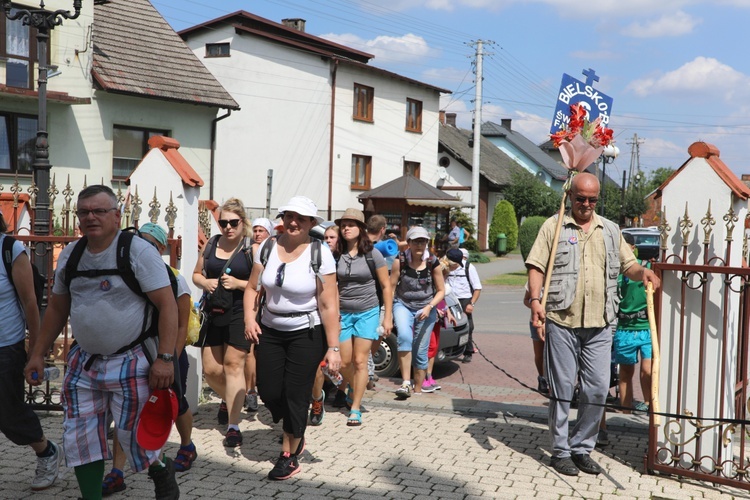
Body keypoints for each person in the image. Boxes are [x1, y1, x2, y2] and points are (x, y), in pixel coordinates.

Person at [26, 184, 180, 500]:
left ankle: (161, 470)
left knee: (132, 435)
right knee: (80, 438)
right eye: (84, 212)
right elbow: (57, 308)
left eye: (99, 211)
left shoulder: (137, 251)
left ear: (116, 215)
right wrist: (37, 353)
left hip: (132, 359)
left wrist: (165, 358)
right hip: (86, 362)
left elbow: (168, 305)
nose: (90, 217)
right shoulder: (71, 255)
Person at [526, 173, 660, 477]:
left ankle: (582, 448)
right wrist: (536, 301)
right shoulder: (554, 225)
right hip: (562, 320)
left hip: (600, 324)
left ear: (598, 199)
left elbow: (630, 265)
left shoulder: (611, 230)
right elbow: (536, 266)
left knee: (598, 388)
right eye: (581, 198)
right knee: (561, 389)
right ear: (571, 196)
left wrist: (646, 273)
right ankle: (560, 451)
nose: (586, 204)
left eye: (592, 199)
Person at [244, 195, 341, 481]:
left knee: (295, 394)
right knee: (269, 391)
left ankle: (289, 454)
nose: (293, 222)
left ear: (312, 223)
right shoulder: (267, 247)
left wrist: (333, 347)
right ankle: (295, 428)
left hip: (307, 333)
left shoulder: (320, 254)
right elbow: (252, 287)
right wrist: (250, 318)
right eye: (288, 216)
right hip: (270, 330)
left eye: (301, 218)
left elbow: (329, 304)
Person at [102, 223, 198, 496]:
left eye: (151, 244)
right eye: (140, 241)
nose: (143, 247)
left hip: (167, 352)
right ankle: (117, 472)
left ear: (161, 249)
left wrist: (172, 359)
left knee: (176, 405)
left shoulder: (175, 278)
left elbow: (180, 324)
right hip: (134, 355)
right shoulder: (128, 273)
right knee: (125, 415)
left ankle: (187, 445)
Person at [0, 215, 62, 492]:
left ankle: (46, 451)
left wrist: (36, 351)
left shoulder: (10, 250)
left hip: (5, 346)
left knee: (8, 411)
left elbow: (30, 303)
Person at [192, 198, 251, 448]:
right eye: (223, 222)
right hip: (214, 312)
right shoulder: (211, 245)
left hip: (240, 311)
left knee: (233, 364)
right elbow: (196, 274)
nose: (228, 227)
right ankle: (230, 397)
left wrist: (239, 284)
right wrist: (205, 283)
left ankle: (233, 426)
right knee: (212, 370)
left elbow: (264, 285)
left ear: (242, 222)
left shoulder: (251, 249)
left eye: (233, 222)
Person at [334, 208, 393, 425]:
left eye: (351, 224)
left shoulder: (373, 254)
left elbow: (386, 286)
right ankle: (354, 385)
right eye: (343, 225)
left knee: (360, 361)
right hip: (342, 313)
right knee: (342, 363)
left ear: (361, 229)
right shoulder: (336, 254)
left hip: (367, 312)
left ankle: (355, 407)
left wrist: (387, 317)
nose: (346, 228)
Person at [391, 226, 445, 399]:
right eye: (415, 241)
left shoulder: (433, 262)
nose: (419, 245)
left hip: (426, 306)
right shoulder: (400, 260)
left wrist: (429, 307)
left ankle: (418, 390)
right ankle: (406, 383)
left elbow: (441, 290)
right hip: (403, 304)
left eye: (422, 241)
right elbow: (391, 286)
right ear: (409, 243)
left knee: (421, 350)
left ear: (427, 243)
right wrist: (387, 310)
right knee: (404, 337)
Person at [614, 232, 653, 413]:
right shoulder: (614, 273)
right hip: (625, 329)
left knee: (648, 370)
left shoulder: (648, 267)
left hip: (646, 327)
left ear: (633, 249)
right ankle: (626, 410)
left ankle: (649, 406)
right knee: (625, 373)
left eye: (626, 247)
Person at [243, 217, 275, 414]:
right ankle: (250, 392)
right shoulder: (245, 251)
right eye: (255, 230)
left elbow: (257, 285)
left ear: (269, 234)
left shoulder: (270, 253)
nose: (257, 234)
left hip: (266, 308)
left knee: (261, 354)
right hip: (247, 309)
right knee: (249, 352)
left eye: (261, 230)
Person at [310, 224, 339, 426]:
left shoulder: (322, 260)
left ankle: (317, 399)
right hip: (286, 325)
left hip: (316, 322)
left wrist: (333, 341)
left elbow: (331, 299)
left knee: (316, 372)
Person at [445, 248, 482, 363]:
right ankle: (449, 348)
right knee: (449, 326)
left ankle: (468, 351)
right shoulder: (445, 267)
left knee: (468, 326)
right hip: (449, 298)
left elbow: (477, 288)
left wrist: (471, 303)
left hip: (464, 299)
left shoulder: (468, 267)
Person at [523, 281, 548, 394]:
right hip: (537, 321)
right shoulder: (533, 280)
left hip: (555, 322)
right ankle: (542, 378)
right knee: (539, 354)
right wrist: (535, 305)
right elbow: (526, 300)